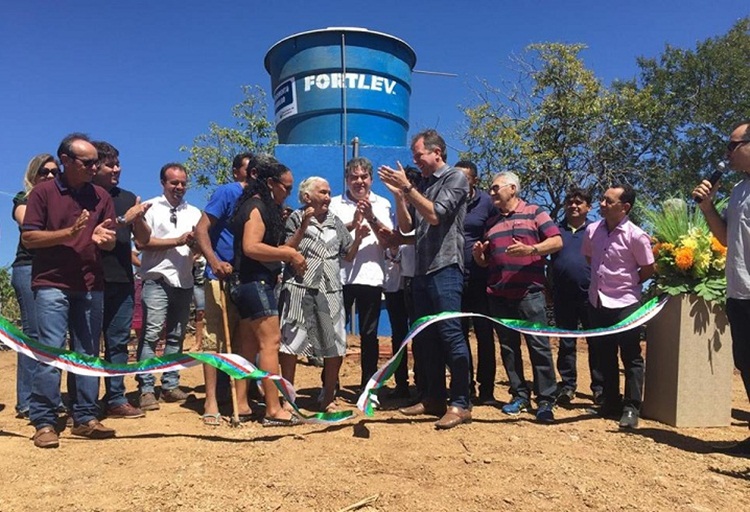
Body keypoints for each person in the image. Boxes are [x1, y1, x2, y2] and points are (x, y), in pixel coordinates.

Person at [22, 133, 118, 448]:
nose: (94, 167)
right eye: (87, 162)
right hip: (51, 283)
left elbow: (110, 240)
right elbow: (29, 238)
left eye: (96, 162)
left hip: (90, 284)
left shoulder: (101, 196)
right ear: (65, 160)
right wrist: (69, 233)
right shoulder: (43, 193)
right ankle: (45, 421)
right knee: (51, 351)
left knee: (88, 353)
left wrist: (106, 240)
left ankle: (86, 417)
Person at [378, 129, 472, 430]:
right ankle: (433, 398)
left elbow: (436, 216)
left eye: (418, 155)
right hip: (421, 271)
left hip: (446, 268)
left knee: (451, 336)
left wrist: (408, 188)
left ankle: (461, 403)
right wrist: (400, 197)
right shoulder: (425, 186)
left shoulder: (455, 178)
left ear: (437, 153)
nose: (415, 161)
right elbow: (412, 228)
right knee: (425, 338)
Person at [472, 171, 562, 424]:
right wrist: (480, 256)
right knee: (508, 348)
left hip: (529, 293)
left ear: (512, 188)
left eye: (496, 187)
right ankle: (519, 395)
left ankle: (546, 400)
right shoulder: (491, 222)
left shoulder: (534, 212)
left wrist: (531, 249)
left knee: (539, 346)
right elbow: (486, 261)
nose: (491, 192)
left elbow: (556, 241)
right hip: (498, 294)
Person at [194, 152, 275, 425]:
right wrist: (214, 261)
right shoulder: (227, 192)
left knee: (245, 339)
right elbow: (201, 229)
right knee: (214, 338)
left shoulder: (263, 200)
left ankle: (243, 395)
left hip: (246, 278)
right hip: (220, 275)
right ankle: (211, 400)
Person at [278, 177, 366, 412]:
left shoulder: (335, 221)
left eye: (329, 193)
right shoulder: (295, 218)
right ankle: (288, 397)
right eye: (323, 192)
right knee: (291, 344)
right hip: (299, 288)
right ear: (307, 197)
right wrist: (304, 225)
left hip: (331, 291)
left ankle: (327, 397)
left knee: (334, 345)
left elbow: (348, 255)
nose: (328, 197)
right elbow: (286, 249)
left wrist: (358, 238)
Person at [231, 161, 306, 426]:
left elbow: (278, 248)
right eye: (286, 188)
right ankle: (273, 409)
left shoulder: (259, 206)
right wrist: (289, 255)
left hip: (246, 282)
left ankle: (242, 404)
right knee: (270, 343)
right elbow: (251, 247)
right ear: (271, 183)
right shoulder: (256, 207)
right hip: (255, 282)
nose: (288, 193)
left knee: (248, 346)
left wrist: (294, 240)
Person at [692, 121, 750, 454]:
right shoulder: (739, 190)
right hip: (739, 291)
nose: (727, 153)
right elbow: (725, 237)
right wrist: (707, 206)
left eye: (732, 145)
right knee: (745, 361)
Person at [582, 184, 654, 429]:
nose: (602, 204)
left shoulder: (637, 236)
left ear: (625, 207)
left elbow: (648, 269)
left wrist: (628, 285)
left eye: (608, 201)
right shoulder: (592, 230)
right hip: (598, 301)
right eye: (602, 199)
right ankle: (610, 402)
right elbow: (590, 258)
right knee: (604, 354)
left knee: (631, 356)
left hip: (626, 304)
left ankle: (632, 408)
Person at [91, 140, 152, 420]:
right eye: (110, 165)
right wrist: (124, 219)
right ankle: (85, 403)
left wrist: (138, 219)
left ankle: (116, 398)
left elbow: (144, 240)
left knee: (118, 342)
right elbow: (88, 231)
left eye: (118, 164)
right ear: (95, 167)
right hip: (90, 280)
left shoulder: (127, 197)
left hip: (122, 280)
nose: (117, 169)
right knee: (87, 344)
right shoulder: (85, 195)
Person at [136, 163, 202, 411]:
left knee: (176, 335)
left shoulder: (194, 212)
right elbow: (141, 243)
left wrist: (194, 246)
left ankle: (170, 384)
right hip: (157, 280)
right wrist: (177, 240)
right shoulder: (150, 208)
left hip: (184, 281)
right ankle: (146, 388)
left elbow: (199, 247)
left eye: (183, 183)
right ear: (163, 183)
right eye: (174, 182)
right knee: (152, 334)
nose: (179, 187)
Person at [329, 157, 393, 391]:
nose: (359, 182)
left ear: (371, 179)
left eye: (364, 177)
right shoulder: (334, 204)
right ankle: (330, 382)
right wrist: (353, 223)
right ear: (347, 180)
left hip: (371, 277)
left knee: (369, 334)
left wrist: (371, 217)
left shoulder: (383, 203)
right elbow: (329, 238)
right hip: (340, 277)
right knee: (336, 332)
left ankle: (368, 384)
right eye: (354, 177)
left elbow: (388, 240)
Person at [10, 154, 60, 419]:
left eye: (55, 172)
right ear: (33, 175)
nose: (50, 176)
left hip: (54, 270)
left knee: (53, 335)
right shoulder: (23, 199)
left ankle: (49, 397)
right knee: (33, 334)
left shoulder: (61, 200)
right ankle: (27, 400)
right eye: (44, 171)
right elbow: (28, 223)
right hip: (28, 268)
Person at [549, 187, 603, 406]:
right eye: (570, 202)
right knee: (566, 342)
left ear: (588, 207)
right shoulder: (555, 230)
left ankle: (600, 389)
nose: (573, 206)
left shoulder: (596, 230)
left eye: (579, 202)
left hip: (591, 295)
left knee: (596, 342)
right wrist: (548, 288)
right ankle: (567, 386)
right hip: (562, 295)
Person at [454, 159, 499, 405]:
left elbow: (496, 235)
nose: (459, 183)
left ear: (475, 181)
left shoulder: (487, 203)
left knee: (484, 334)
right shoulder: (450, 200)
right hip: (454, 277)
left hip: (481, 279)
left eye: (465, 178)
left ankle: (487, 389)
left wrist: (485, 255)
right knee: (458, 335)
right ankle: (465, 385)